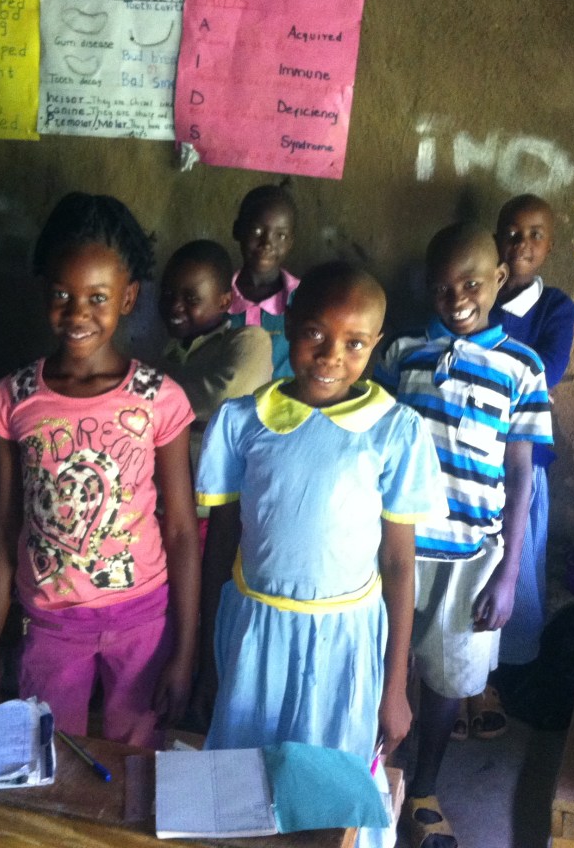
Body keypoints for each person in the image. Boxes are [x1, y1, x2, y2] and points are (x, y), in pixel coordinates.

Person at [195, 261, 443, 848]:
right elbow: (220, 545)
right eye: (314, 334)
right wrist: (208, 656)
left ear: (376, 344)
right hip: (255, 632)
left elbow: (399, 564)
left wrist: (395, 686)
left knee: (329, 799)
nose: (332, 356)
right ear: (287, 327)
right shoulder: (241, 422)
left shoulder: (394, 431)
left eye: (354, 343)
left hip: (346, 643)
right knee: (243, 790)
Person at [0, 192, 200, 750]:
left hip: (143, 619)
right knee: (46, 756)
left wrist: (185, 650)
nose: (77, 314)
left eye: (97, 298)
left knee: (136, 759)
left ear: (128, 297)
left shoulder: (159, 399)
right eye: (62, 295)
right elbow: (4, 528)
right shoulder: (13, 400)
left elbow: (180, 530)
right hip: (50, 623)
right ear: (44, 293)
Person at [375, 223, 552, 848]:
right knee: (380, 669)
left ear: (499, 279)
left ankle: (424, 788)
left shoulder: (523, 367)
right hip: (395, 549)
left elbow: (522, 474)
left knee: (449, 679)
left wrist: (509, 572)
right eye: (443, 287)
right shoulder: (402, 354)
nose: (457, 299)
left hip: (472, 557)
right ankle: (375, 780)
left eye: (472, 283)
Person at [472, 194, 574, 734]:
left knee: (514, 570)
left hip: (522, 463)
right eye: (512, 233)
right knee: (467, 570)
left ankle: (495, 682)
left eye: (535, 234)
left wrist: (490, 374)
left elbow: (548, 369)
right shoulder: (476, 292)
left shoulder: (555, 307)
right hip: (469, 461)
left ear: (550, 246)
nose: (522, 244)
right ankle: (463, 684)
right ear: (496, 240)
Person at [156, 238, 272, 467]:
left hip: (223, 487)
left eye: (191, 298)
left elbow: (222, 397)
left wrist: (146, 395)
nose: (175, 306)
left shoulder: (250, 340)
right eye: (168, 294)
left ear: (224, 302)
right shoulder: (169, 354)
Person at [227, 183, 300, 379]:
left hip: (283, 398)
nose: (267, 243)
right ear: (237, 230)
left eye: (280, 235)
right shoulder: (219, 294)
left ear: (290, 242)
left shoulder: (303, 299)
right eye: (257, 231)